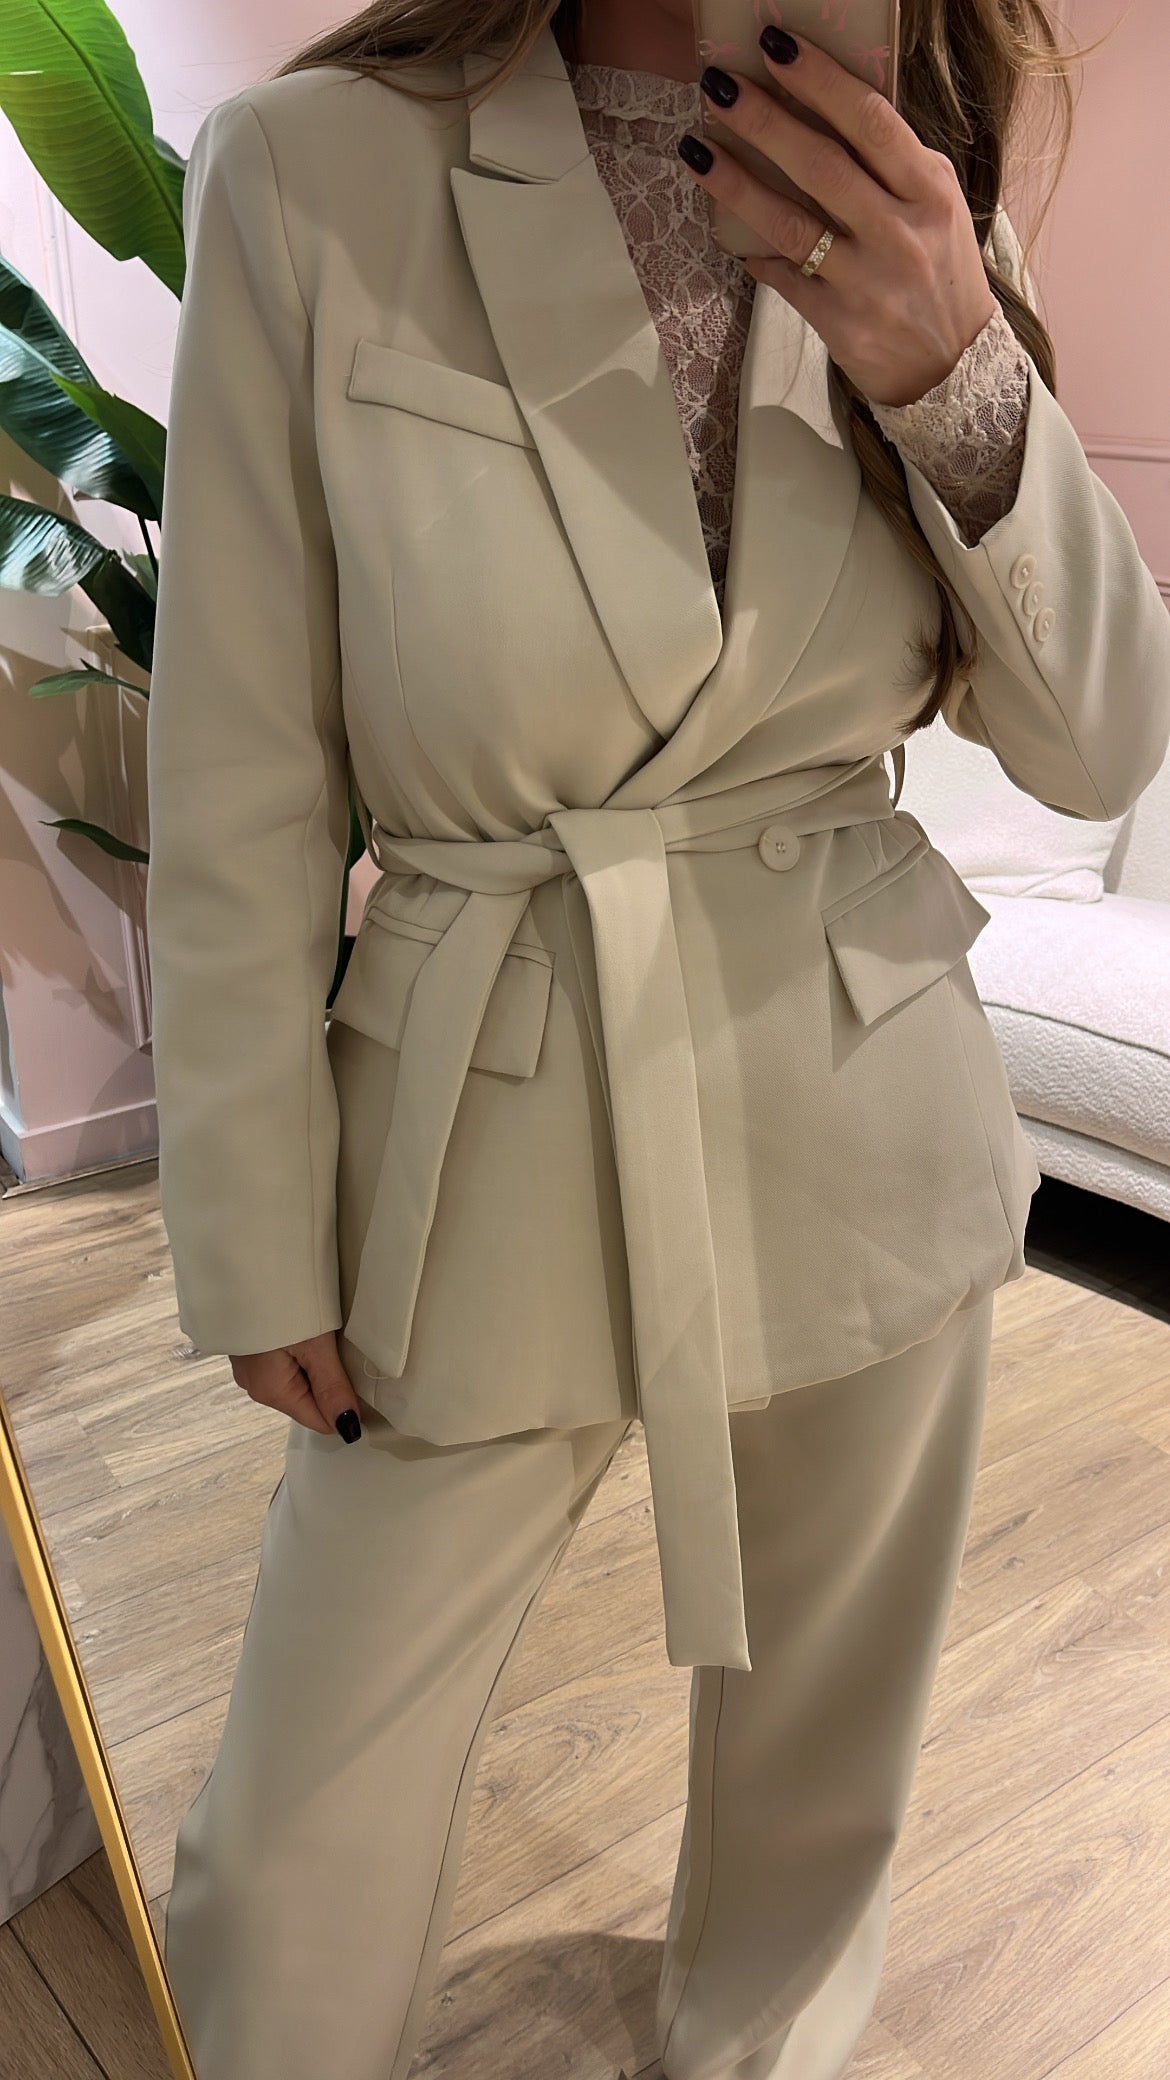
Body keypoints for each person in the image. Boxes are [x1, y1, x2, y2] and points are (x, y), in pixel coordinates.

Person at [144, 2, 1170, 2075]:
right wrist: (252, 1226)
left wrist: (954, 370)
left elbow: (1099, 743)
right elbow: (241, 767)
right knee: (303, 1827)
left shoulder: (912, 188)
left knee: (822, 1768)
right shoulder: (312, 171)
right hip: (481, 1102)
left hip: (853, 1071)